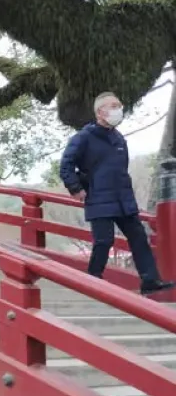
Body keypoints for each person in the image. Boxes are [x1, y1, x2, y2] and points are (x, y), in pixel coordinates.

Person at [60, 91, 173, 295]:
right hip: (98, 196)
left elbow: (122, 166)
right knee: (104, 240)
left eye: (119, 105)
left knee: (139, 236)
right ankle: (93, 278)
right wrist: (76, 188)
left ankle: (150, 279)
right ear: (100, 112)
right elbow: (66, 165)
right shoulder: (84, 137)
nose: (119, 109)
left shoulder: (119, 138)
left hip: (123, 197)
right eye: (114, 106)